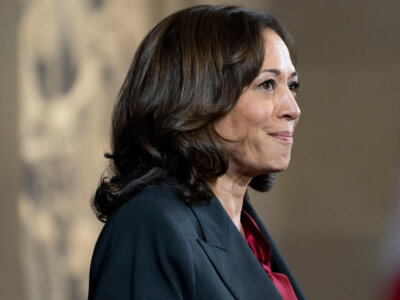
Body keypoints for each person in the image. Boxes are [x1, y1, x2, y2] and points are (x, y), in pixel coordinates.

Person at [88, 5, 306, 300]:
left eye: (291, 86)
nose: (293, 109)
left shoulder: (247, 230)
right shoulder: (149, 225)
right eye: (267, 84)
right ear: (198, 98)